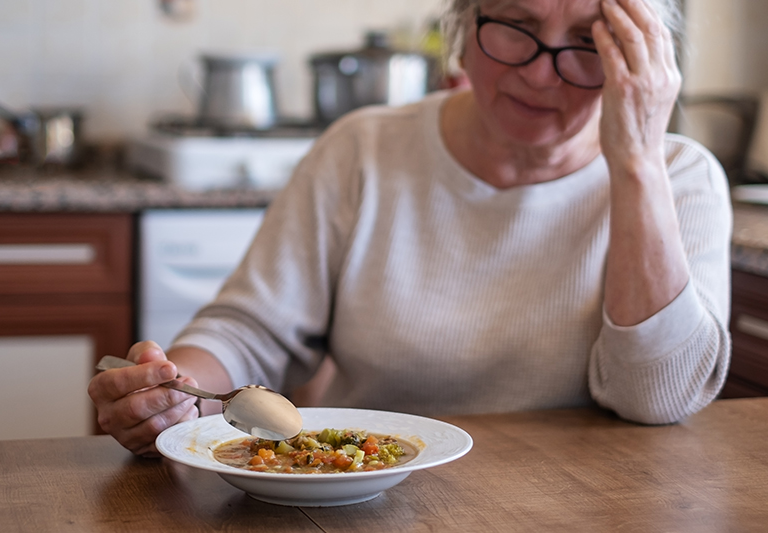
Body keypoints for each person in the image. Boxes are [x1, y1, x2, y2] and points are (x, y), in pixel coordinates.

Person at [89, 0, 732, 457]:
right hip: (366, 491)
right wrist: (175, 395)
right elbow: (250, 329)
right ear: (463, 24)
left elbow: (658, 399)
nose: (541, 73)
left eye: (589, 44)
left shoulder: (679, 177)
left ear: (641, 64)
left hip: (590, 501)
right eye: (515, 26)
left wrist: (637, 162)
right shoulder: (362, 150)